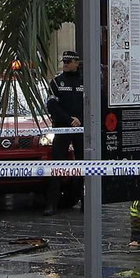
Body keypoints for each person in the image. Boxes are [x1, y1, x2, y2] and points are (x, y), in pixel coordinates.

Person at [43, 50, 84, 215]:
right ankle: (51, 203)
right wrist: (69, 120)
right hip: (62, 127)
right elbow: (52, 106)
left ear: (76, 63)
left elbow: (92, 102)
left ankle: (84, 200)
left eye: (69, 62)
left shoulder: (85, 81)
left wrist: (79, 119)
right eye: (64, 62)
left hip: (81, 128)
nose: (65, 64)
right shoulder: (56, 82)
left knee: (83, 165)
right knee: (56, 165)